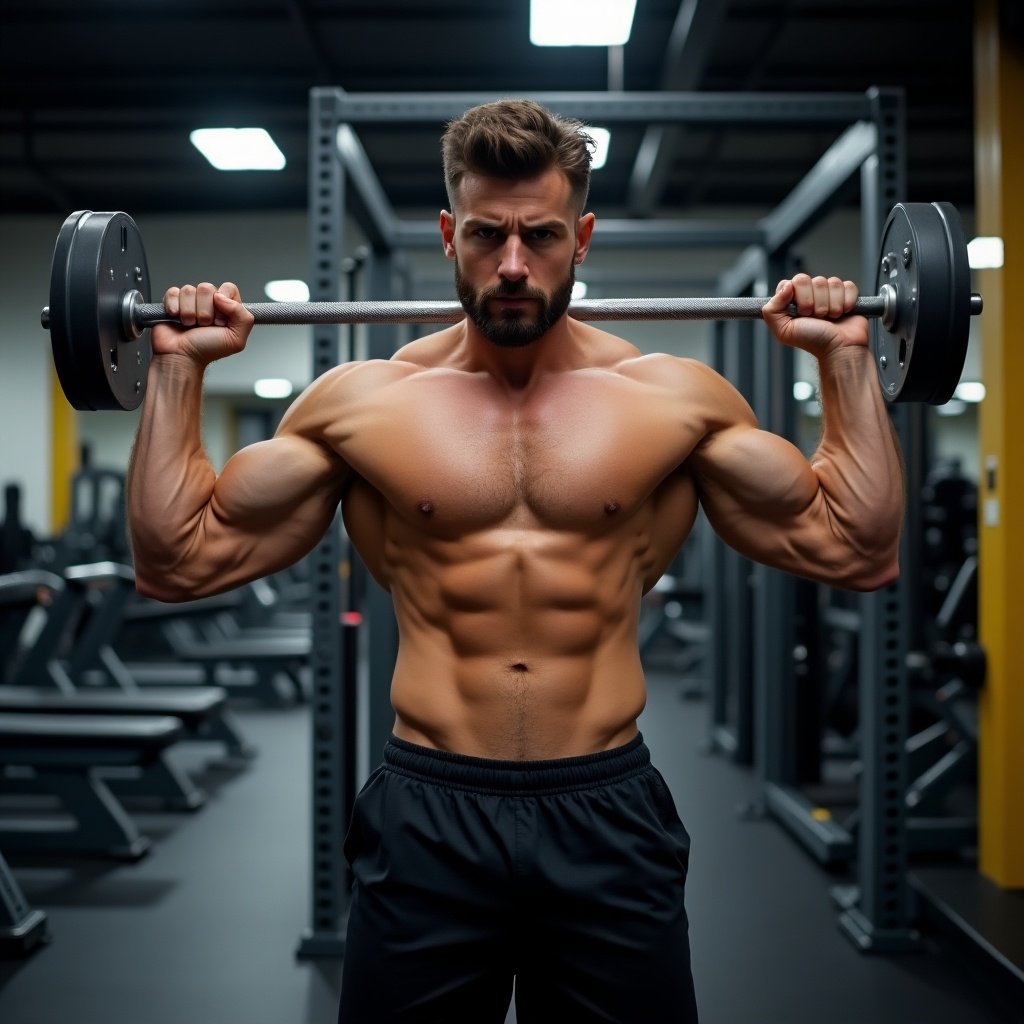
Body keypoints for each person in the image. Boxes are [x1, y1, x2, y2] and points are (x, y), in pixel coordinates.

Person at [126, 99, 905, 1022]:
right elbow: (176, 558)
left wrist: (846, 358)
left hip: (607, 809)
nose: (511, 264)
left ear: (581, 237)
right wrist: (177, 368)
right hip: (429, 811)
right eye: (487, 235)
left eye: (538, 236)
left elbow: (859, 545)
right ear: (450, 233)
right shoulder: (362, 406)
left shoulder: (670, 401)